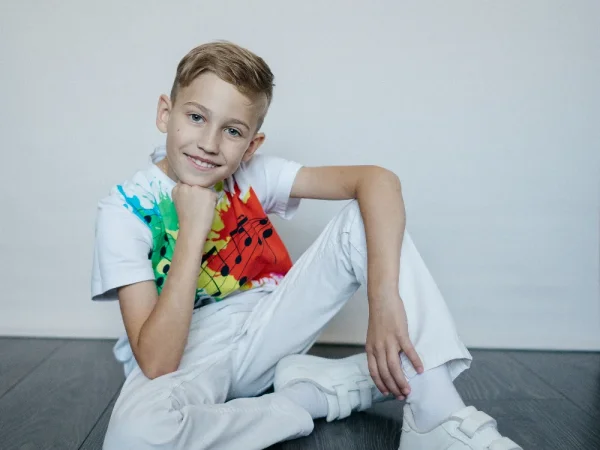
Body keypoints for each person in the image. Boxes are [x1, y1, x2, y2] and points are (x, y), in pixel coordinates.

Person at [91, 40, 522, 450]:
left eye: (232, 130)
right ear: (165, 114)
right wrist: (191, 232)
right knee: (135, 437)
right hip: (186, 354)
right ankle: (307, 399)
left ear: (252, 145)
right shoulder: (124, 210)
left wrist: (383, 301)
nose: (209, 143)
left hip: (266, 327)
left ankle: (436, 415)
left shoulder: (252, 175)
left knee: (365, 218)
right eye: (196, 117)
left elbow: (378, 180)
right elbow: (158, 362)